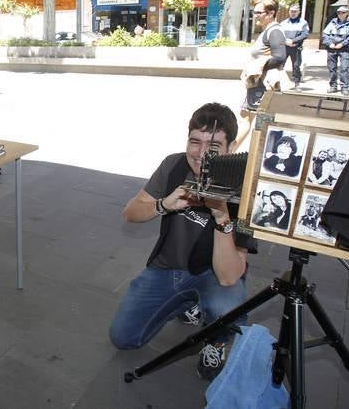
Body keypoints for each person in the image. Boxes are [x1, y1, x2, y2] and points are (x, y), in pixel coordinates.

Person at [108, 102, 257, 381]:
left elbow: (229, 276)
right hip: (167, 269)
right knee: (123, 337)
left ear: (231, 147)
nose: (201, 154)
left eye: (213, 145)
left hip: (213, 274)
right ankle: (187, 302)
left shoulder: (246, 188)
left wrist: (221, 215)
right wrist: (163, 205)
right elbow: (131, 212)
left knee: (228, 307)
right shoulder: (174, 164)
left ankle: (217, 339)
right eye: (195, 142)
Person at [235, 0, 287, 149]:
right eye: (254, 12)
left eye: (259, 13)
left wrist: (258, 65)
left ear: (271, 13)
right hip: (257, 85)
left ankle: (258, 159)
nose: (255, 16)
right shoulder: (268, 31)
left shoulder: (275, 31)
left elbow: (280, 57)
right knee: (246, 118)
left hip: (263, 86)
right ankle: (229, 152)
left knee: (260, 123)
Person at [321, 6, 349, 95]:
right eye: (339, 13)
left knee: (344, 69)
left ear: (347, 13)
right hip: (332, 48)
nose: (340, 14)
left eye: (343, 12)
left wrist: (342, 44)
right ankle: (333, 86)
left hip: (344, 49)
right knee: (332, 68)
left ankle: (344, 87)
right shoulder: (333, 22)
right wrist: (329, 43)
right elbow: (325, 34)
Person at [279, 3, 310, 90]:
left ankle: (297, 84)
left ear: (298, 12)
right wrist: (285, 41)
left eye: (295, 11)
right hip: (284, 47)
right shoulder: (283, 23)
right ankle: (277, 83)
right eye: (291, 11)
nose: (293, 13)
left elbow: (305, 35)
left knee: (296, 66)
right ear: (289, 12)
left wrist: (293, 41)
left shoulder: (303, 23)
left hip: (296, 48)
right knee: (279, 65)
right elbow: (279, 34)